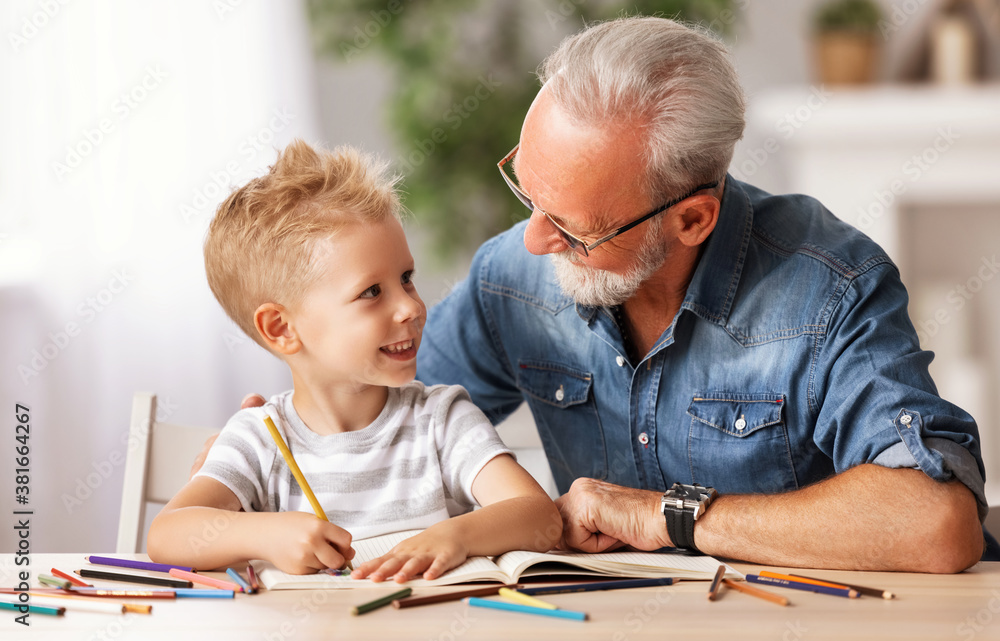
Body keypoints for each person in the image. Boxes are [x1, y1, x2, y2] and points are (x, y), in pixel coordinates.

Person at [198, 17, 990, 572]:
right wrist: (287, 435)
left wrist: (673, 514)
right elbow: (400, 421)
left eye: (573, 228)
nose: (535, 241)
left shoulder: (827, 288)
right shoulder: (513, 274)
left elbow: (937, 522)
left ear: (690, 218)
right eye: (526, 192)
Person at [150, 140, 561, 582]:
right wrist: (264, 534)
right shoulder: (259, 440)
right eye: (371, 292)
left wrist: (453, 536)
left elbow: (538, 516)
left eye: (406, 278)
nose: (411, 307)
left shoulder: (441, 419)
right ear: (281, 329)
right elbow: (166, 536)